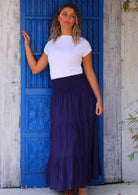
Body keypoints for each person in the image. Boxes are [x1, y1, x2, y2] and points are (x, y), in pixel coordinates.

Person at [21, 2, 103, 195]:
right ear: (58, 17)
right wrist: (27, 46)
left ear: (76, 21)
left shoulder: (83, 43)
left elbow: (89, 72)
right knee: (63, 141)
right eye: (64, 14)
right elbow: (35, 69)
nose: (68, 17)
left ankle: (81, 188)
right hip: (60, 98)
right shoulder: (51, 45)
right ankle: (67, 184)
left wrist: (98, 99)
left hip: (80, 97)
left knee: (80, 140)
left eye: (72, 15)